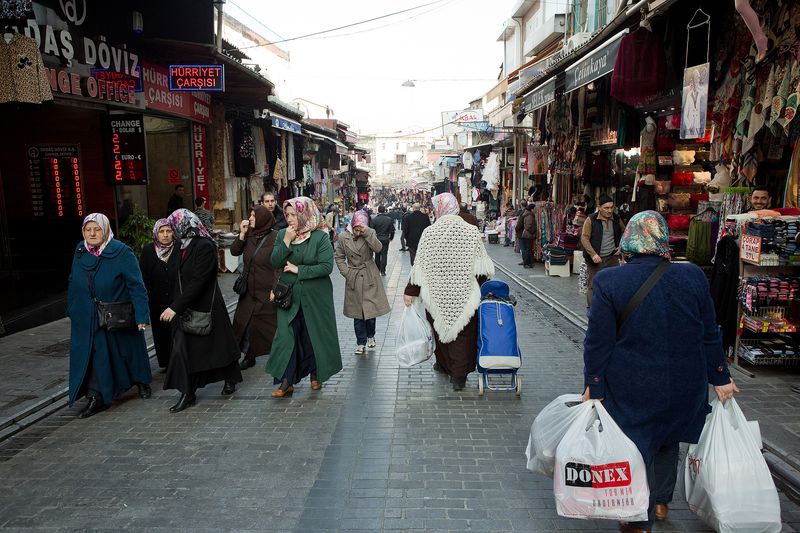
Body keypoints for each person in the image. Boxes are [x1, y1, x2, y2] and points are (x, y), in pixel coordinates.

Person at [582, 211, 739, 533]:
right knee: (668, 439)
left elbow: (598, 342)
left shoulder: (609, 280)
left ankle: (638, 518)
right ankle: (661, 502)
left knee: (637, 443)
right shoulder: (693, 276)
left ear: (628, 242)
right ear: (663, 239)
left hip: (632, 383)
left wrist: (594, 384)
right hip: (685, 383)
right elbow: (709, 332)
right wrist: (720, 377)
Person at [403, 193, 495, 391]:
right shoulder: (471, 231)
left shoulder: (429, 233)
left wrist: (410, 291)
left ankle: (445, 365)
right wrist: (483, 288)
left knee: (440, 331)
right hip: (465, 291)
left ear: (439, 209)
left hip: (436, 292)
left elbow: (420, 268)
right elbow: (480, 268)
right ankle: (459, 376)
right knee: (464, 334)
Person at [67, 213, 152, 419]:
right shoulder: (80, 251)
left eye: (97, 229)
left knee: (128, 351)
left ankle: (141, 381)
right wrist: (72, 308)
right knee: (96, 356)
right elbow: (72, 281)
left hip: (117, 314)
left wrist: (142, 316)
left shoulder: (122, 252)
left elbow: (136, 285)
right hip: (88, 317)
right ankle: (96, 396)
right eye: (88, 230)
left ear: (105, 230)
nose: (92, 234)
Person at [160, 209, 242, 413]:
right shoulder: (180, 245)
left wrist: (175, 307)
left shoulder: (204, 245)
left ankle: (230, 377)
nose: (172, 230)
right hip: (185, 308)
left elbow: (199, 280)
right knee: (183, 349)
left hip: (206, 305)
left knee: (219, 347)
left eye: (174, 225)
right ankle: (187, 392)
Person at [265, 197, 343, 397]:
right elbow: (275, 262)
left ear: (304, 213)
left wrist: (299, 270)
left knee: (313, 334)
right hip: (289, 296)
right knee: (286, 336)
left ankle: (316, 374)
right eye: (287, 215)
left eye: (293, 214)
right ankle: (287, 381)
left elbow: (326, 267)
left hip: (316, 296)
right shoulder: (283, 234)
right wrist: (286, 241)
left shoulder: (320, 237)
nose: (289, 219)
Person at [334, 210, 391, 355]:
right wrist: (346, 273)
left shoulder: (369, 233)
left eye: (361, 228)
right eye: (356, 228)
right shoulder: (343, 237)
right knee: (357, 314)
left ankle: (371, 335)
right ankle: (360, 342)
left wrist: (367, 233)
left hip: (369, 276)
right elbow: (339, 257)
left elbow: (378, 248)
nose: (358, 231)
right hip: (354, 277)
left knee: (370, 312)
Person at [231, 205, 279, 370]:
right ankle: (247, 356)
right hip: (248, 291)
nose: (250, 218)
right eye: (250, 215)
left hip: (266, 292)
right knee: (243, 324)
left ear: (262, 219)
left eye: (253, 215)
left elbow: (279, 265)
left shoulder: (276, 238)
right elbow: (234, 251)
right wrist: (242, 234)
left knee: (264, 327)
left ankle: (277, 356)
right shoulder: (249, 235)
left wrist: (275, 288)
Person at [139, 218, 180, 371]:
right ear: (156, 233)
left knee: (178, 332)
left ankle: (180, 361)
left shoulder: (179, 248)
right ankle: (166, 362)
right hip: (157, 302)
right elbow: (143, 276)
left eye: (169, 231)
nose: (165, 235)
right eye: (161, 231)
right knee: (161, 333)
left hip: (177, 301)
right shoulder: (148, 251)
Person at [581, 194, 626, 307]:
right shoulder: (591, 219)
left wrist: (621, 246)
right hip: (596, 259)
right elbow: (584, 238)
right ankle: (592, 309)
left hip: (612, 258)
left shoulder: (616, 218)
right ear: (599, 207)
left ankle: (609, 308)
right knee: (593, 285)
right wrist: (593, 254)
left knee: (612, 283)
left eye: (611, 207)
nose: (609, 210)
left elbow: (625, 232)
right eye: (606, 208)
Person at [370, 205, 395, 276]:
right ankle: (383, 270)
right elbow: (392, 230)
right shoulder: (389, 219)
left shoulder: (374, 220)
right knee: (384, 255)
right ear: (384, 210)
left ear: (378, 210)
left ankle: (377, 269)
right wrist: (391, 238)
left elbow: (371, 231)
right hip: (385, 239)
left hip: (377, 239)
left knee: (377, 255)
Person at [516, 204, 536, 268]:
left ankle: (527, 262)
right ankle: (526, 263)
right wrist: (533, 231)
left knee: (526, 249)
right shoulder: (529, 215)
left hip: (525, 234)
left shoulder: (525, 214)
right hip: (528, 234)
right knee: (528, 249)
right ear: (532, 209)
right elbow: (528, 226)